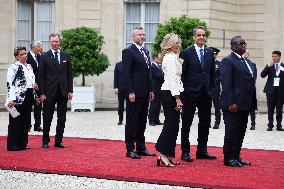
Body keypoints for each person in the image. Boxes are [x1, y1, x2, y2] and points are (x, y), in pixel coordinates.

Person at [180, 26, 216, 162]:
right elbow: (182, 74)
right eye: (199, 35)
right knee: (187, 123)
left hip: (205, 94)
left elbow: (212, 73)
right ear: (194, 37)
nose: (201, 37)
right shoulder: (186, 52)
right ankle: (185, 152)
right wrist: (185, 91)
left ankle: (202, 150)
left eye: (203, 35)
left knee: (205, 123)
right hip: (190, 94)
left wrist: (211, 89)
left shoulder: (209, 52)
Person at [220, 36, 257, 167]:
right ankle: (229, 157)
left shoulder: (246, 61)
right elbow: (226, 83)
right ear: (233, 46)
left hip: (245, 103)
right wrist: (231, 102)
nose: (243, 45)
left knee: (240, 131)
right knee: (231, 132)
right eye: (240, 44)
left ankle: (236, 155)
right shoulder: (228, 61)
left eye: (244, 43)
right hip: (233, 104)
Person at [122, 26, 155, 159]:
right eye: (139, 35)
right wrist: (130, 91)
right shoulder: (128, 51)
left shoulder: (146, 52)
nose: (142, 37)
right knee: (132, 121)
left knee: (142, 121)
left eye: (143, 34)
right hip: (134, 94)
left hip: (145, 92)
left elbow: (149, 73)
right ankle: (130, 149)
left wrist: (151, 89)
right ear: (133, 37)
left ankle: (141, 148)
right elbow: (127, 73)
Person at [39, 33, 73, 148]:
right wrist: (42, 93)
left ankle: (58, 140)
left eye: (56, 41)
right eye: (53, 41)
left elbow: (69, 75)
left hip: (63, 92)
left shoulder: (66, 56)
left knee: (62, 117)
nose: (55, 43)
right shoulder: (44, 56)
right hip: (49, 92)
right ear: (50, 42)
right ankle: (45, 140)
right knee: (47, 116)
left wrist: (70, 90)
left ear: (59, 42)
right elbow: (41, 76)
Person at [155, 33, 184, 167]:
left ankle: (170, 154)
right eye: (175, 43)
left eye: (178, 42)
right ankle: (162, 153)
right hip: (170, 93)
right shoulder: (170, 58)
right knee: (170, 124)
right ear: (169, 44)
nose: (177, 45)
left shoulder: (173, 57)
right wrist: (177, 98)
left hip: (172, 92)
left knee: (174, 124)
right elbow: (172, 80)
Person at [6, 46, 39, 151]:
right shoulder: (14, 67)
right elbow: (10, 83)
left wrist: (35, 87)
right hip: (17, 97)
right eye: (21, 54)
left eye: (25, 53)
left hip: (29, 95)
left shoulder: (29, 66)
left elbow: (31, 81)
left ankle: (23, 144)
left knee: (26, 120)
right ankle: (13, 145)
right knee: (15, 120)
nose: (24, 56)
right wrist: (12, 99)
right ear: (17, 56)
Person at [260, 50, 284, 131]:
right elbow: (262, 75)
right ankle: (270, 125)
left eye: (275, 56)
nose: (273, 58)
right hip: (270, 91)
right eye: (272, 56)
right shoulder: (270, 66)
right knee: (270, 109)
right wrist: (267, 66)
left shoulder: (283, 66)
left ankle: (279, 125)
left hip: (280, 92)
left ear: (279, 57)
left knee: (279, 109)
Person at [27, 40, 43, 132]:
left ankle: (37, 125)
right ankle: (27, 125)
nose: (40, 48)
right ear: (33, 47)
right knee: (28, 106)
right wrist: (31, 82)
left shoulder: (40, 56)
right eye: (39, 46)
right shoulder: (27, 57)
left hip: (39, 85)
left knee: (38, 105)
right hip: (29, 86)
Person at [148, 53, 164, 126]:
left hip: (160, 88)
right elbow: (159, 76)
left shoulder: (159, 66)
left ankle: (156, 120)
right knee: (153, 105)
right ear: (155, 58)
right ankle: (151, 120)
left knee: (158, 105)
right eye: (160, 58)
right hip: (155, 88)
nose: (161, 60)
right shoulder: (152, 66)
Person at [243, 50, 257, 130]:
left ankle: (253, 123)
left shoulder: (253, 64)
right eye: (245, 53)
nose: (246, 54)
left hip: (251, 88)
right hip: (242, 89)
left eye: (247, 53)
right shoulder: (239, 63)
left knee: (252, 107)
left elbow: (254, 76)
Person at [210, 47, 222, 129]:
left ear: (216, 55)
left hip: (215, 87)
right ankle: (207, 122)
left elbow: (223, 76)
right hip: (207, 88)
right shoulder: (206, 63)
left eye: (214, 54)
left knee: (216, 106)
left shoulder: (219, 64)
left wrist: (216, 80)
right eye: (212, 54)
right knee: (206, 106)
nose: (213, 55)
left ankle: (217, 122)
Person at [113, 61, 126, 125]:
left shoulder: (131, 63)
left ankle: (130, 120)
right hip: (121, 89)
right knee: (121, 105)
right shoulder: (118, 65)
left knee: (131, 106)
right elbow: (115, 77)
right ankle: (120, 120)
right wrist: (115, 87)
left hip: (130, 89)